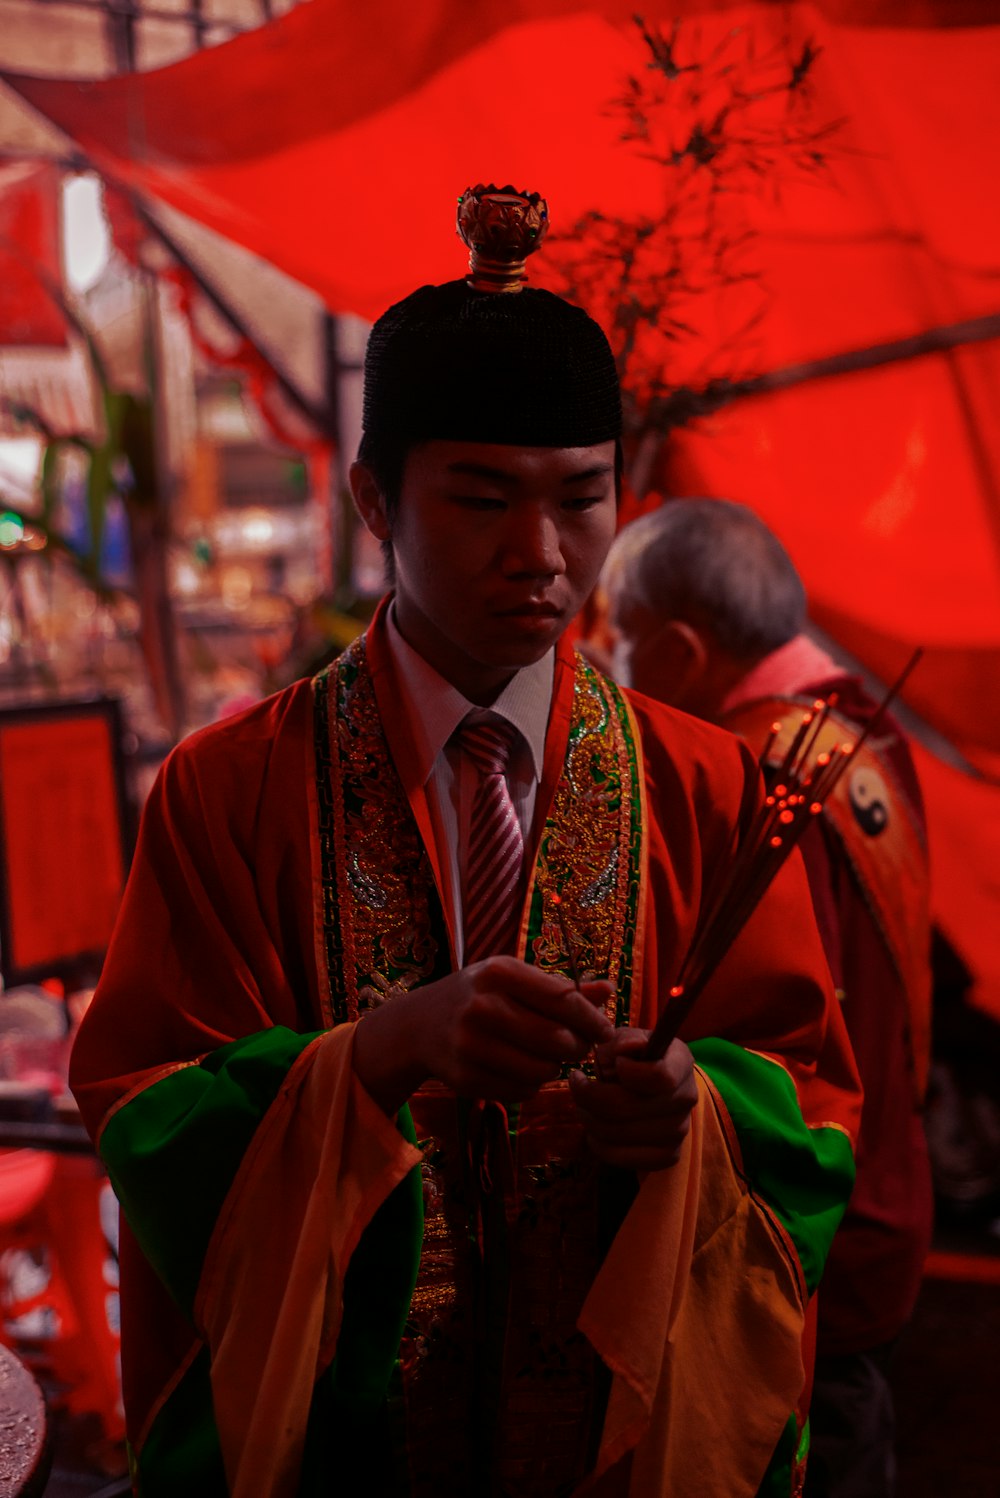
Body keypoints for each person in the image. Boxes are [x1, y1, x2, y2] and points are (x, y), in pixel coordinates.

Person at [69, 188, 861, 1498]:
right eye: (484, 499)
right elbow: (149, 1115)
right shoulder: (228, 792)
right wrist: (379, 1053)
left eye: (581, 500)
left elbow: (811, 1101)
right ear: (378, 498)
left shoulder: (705, 786)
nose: (543, 558)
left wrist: (695, 1112)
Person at [601, 498, 933, 1498]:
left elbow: (776, 1043)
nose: (609, 666)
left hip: (812, 1233)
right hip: (881, 1195)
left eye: (617, 642)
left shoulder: (758, 773)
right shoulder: (858, 732)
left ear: (682, 651)